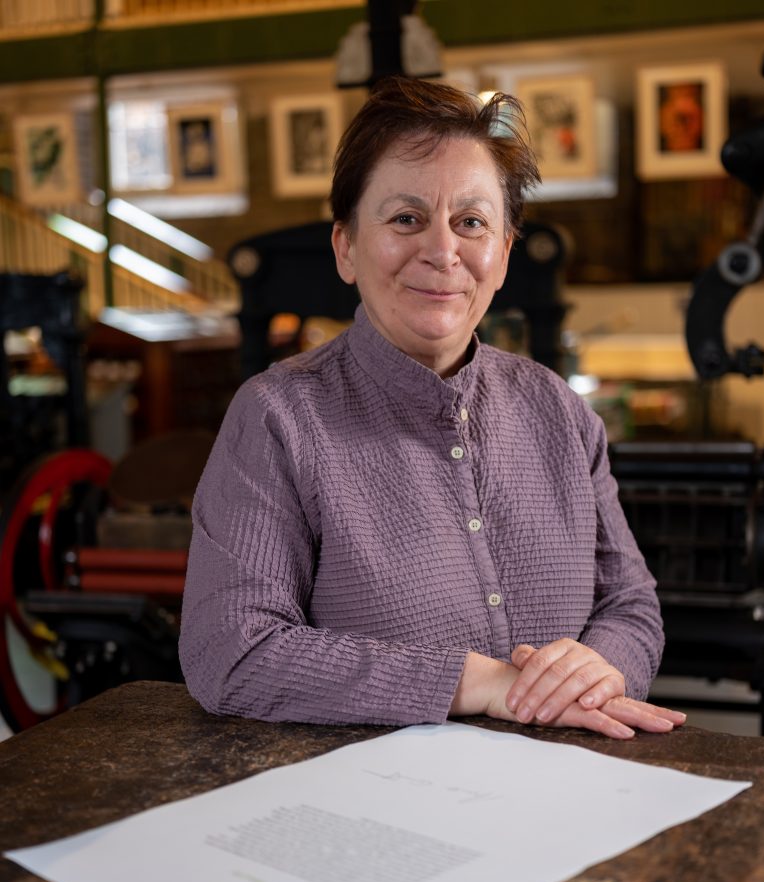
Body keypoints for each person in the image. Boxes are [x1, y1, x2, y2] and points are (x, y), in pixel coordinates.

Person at [180, 76, 681, 741]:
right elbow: (231, 652)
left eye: (471, 222)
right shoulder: (278, 418)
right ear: (347, 247)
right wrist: (477, 683)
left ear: (502, 255)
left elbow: (631, 604)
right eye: (406, 218)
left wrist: (597, 668)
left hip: (568, 805)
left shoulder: (558, 411)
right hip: (370, 819)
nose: (442, 251)